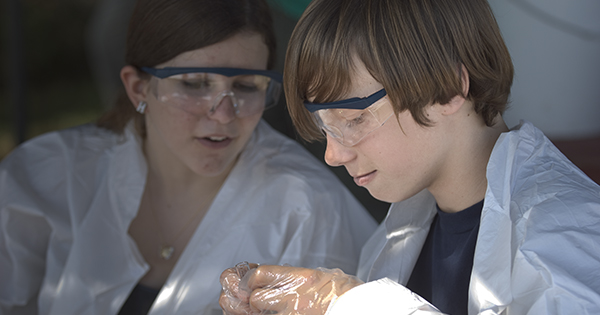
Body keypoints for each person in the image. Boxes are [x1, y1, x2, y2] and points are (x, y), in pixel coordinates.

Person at [219, 0, 600, 314]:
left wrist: (349, 302)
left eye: (353, 119)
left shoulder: (567, 239)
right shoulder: (403, 229)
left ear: (449, 88)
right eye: (326, 130)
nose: (333, 155)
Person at [0, 0, 378, 314]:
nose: (224, 113)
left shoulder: (306, 209)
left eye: (246, 86)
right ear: (138, 87)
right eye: (194, 84)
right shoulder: (49, 176)